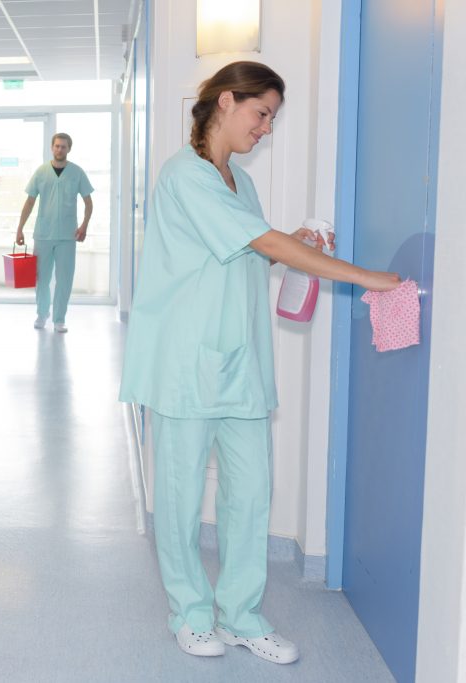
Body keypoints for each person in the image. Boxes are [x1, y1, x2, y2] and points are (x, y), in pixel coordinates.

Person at [118, 62, 399, 663]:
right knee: (180, 494)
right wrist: (366, 279)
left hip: (241, 361)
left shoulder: (237, 182)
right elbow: (259, 241)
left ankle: (242, 615)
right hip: (184, 362)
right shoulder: (185, 175)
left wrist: (290, 239)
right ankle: (191, 615)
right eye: (262, 112)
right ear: (225, 101)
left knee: (250, 495)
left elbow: (246, 253)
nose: (266, 127)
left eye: (272, 116)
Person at [15, 133, 94, 333]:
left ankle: (59, 318)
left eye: (64, 147)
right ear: (52, 147)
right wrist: (20, 228)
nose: (60, 150)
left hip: (68, 236)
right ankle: (42, 314)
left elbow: (88, 202)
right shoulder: (41, 172)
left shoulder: (77, 172)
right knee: (41, 278)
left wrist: (84, 225)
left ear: (69, 149)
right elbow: (30, 202)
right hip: (43, 234)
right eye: (57, 146)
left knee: (64, 279)